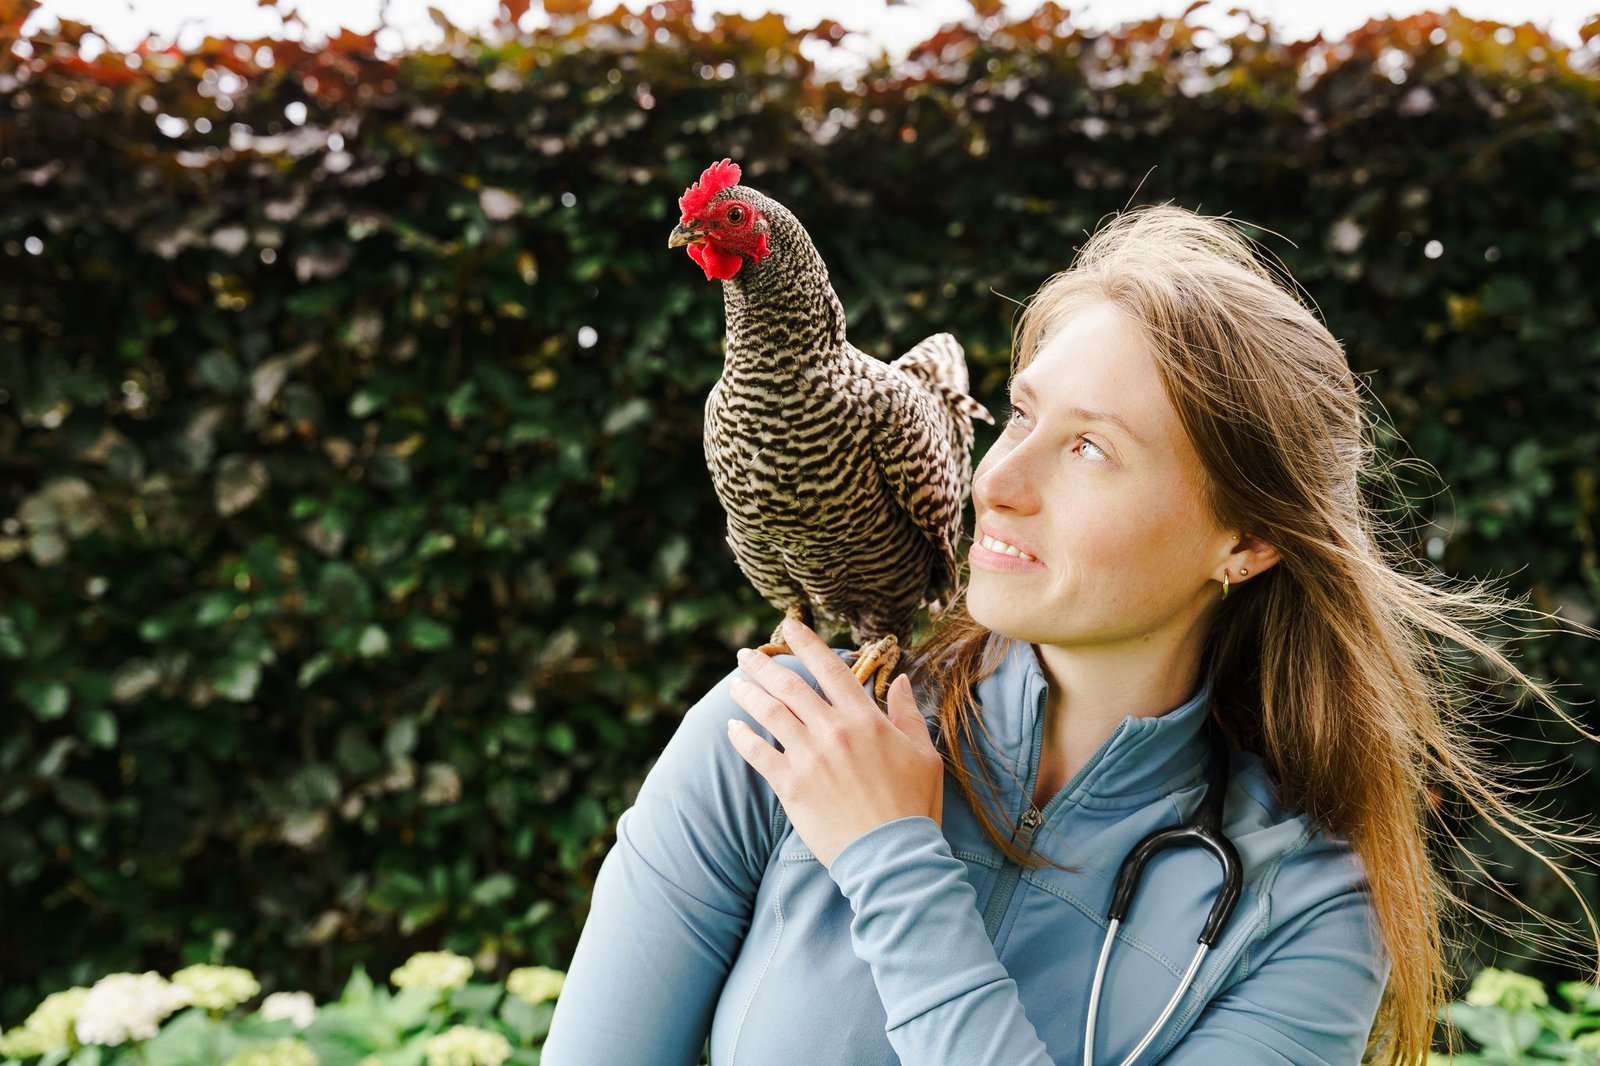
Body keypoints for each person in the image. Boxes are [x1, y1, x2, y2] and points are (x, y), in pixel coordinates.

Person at [541, 204, 1600, 1066]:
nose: (994, 482)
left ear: (1245, 542)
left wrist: (891, 860)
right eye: (1019, 414)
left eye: (1091, 448)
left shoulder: (1308, 911)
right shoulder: (772, 740)